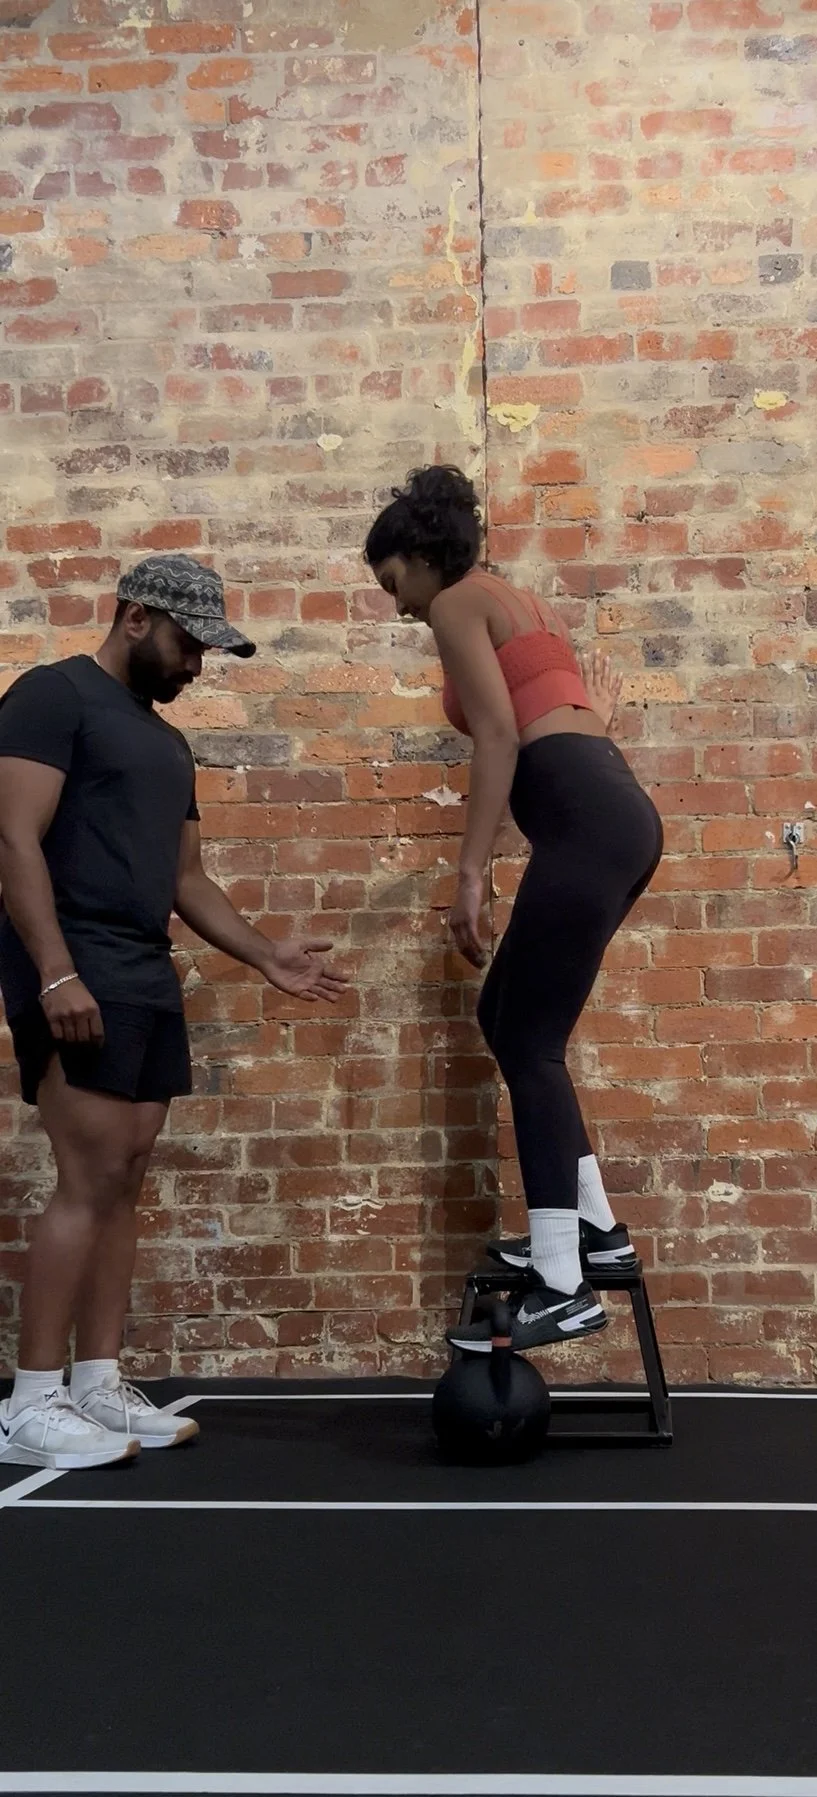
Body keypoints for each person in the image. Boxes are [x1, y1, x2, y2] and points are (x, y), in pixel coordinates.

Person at [0, 554, 347, 1469]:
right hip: (76, 959)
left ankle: (95, 1381)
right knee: (87, 1173)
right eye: (189, 644)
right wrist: (54, 972)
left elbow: (187, 878)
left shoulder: (166, 744)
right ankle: (29, 1403)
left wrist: (264, 952)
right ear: (135, 617)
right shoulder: (52, 696)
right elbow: (11, 837)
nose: (196, 665)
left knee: (126, 1174)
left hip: (143, 966)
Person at [364, 467, 663, 1354]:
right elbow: (549, 717)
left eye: (393, 583)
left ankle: (563, 1285)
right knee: (508, 1019)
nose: (397, 606)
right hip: (613, 813)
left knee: (529, 1043)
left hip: (585, 822)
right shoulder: (517, 599)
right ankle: (593, 1230)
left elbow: (497, 733)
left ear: (421, 558)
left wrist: (469, 873)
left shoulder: (457, 601)